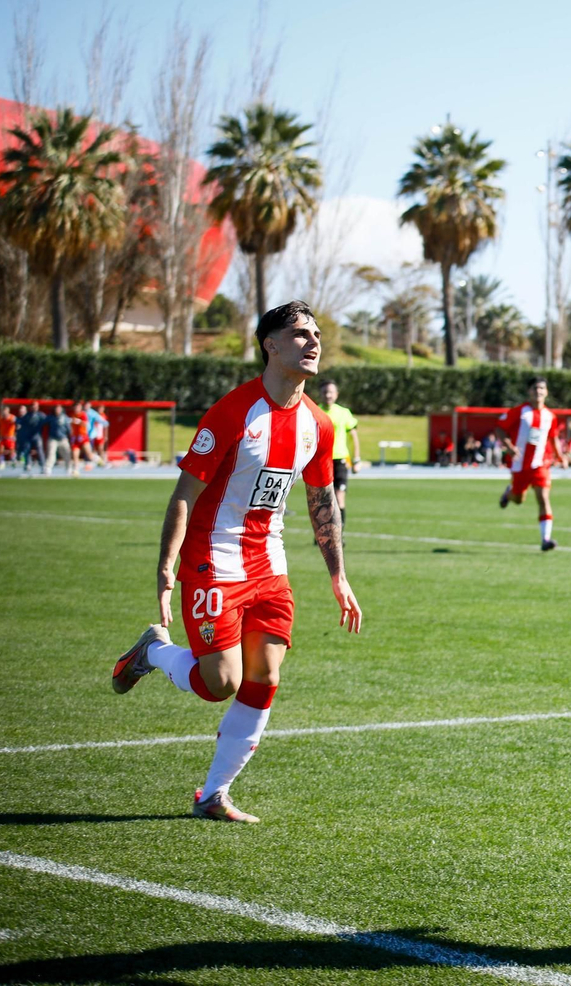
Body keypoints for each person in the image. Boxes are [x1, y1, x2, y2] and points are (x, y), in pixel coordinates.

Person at [109, 300, 362, 823]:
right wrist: (166, 567)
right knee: (219, 681)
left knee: (264, 677)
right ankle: (153, 652)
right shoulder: (233, 412)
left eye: (316, 334)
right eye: (299, 334)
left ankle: (212, 795)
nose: (312, 342)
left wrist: (338, 576)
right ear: (270, 345)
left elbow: (322, 505)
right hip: (212, 558)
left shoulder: (319, 425)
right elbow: (184, 493)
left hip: (270, 563)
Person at [495, 376, 568, 551]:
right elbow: (499, 428)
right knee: (518, 500)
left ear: (547, 392)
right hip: (519, 464)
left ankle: (546, 539)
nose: (538, 391)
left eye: (542, 388)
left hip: (540, 464)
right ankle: (509, 494)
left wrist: (561, 456)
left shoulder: (550, 416)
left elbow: (553, 438)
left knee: (543, 498)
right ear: (529, 391)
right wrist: (510, 447)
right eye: (535, 388)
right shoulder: (520, 412)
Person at [320, 381, 360, 525]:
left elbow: (353, 436)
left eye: (331, 392)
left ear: (336, 394)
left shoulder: (343, 413)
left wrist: (356, 459)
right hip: (321, 460)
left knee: (339, 495)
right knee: (323, 498)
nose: (328, 395)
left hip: (340, 459)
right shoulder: (315, 411)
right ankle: (322, 530)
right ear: (321, 394)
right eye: (325, 392)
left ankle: (339, 532)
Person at [44, 403, 72, 476]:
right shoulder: (51, 417)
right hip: (53, 438)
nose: (58, 410)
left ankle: (68, 468)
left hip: (63, 438)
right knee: (51, 453)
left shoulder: (65, 418)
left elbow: (69, 429)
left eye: (59, 409)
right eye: (56, 409)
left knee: (67, 453)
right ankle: (48, 468)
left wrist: (70, 436)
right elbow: (44, 423)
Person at [86, 401, 109, 467]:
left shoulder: (103, 416)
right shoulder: (94, 415)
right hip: (94, 435)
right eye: (99, 408)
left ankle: (103, 461)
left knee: (101, 449)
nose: (100, 410)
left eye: (102, 408)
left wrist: (106, 435)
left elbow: (106, 425)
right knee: (92, 449)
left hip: (100, 435)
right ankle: (95, 461)